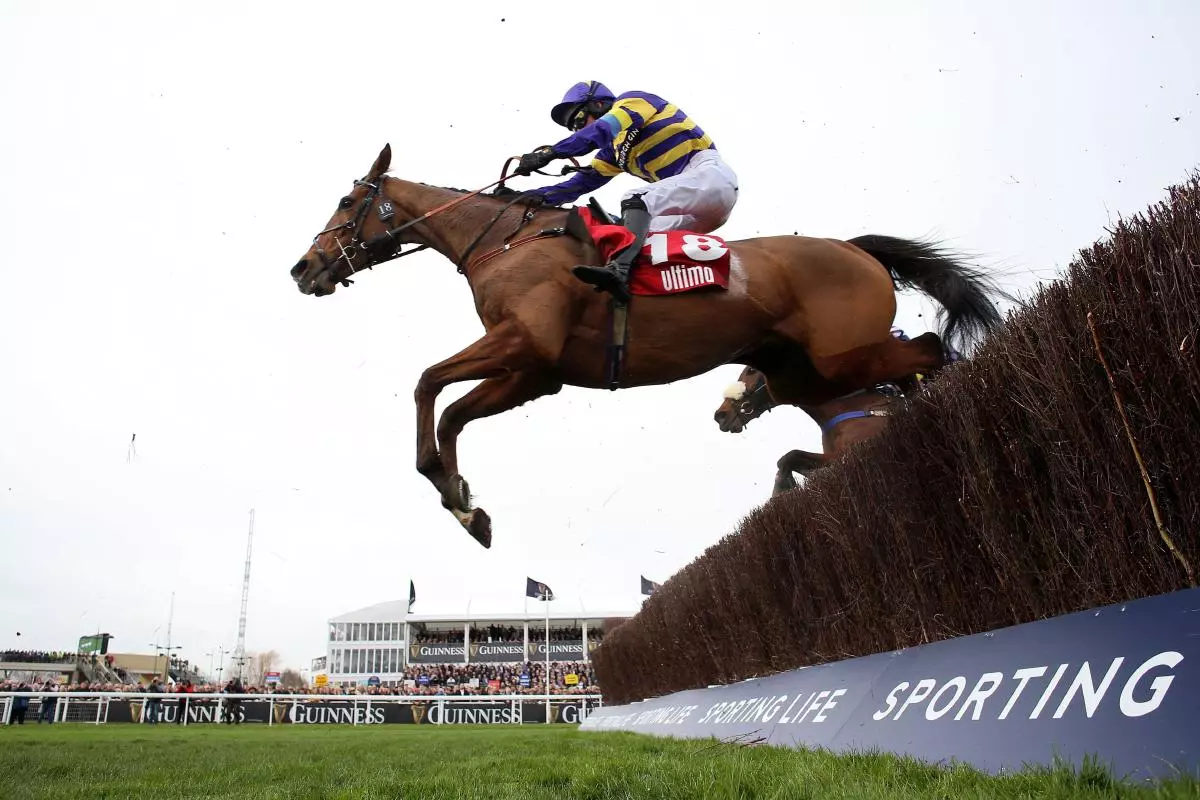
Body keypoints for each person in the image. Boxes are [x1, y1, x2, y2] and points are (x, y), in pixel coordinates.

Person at [515, 81, 738, 303]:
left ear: (599, 104)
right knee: (624, 232)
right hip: (689, 209)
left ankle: (619, 271)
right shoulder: (613, 152)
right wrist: (530, 197)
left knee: (634, 198)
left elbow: (599, 131)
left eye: (580, 120)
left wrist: (550, 153)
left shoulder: (634, 101)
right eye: (574, 128)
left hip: (708, 175)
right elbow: (580, 184)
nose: (580, 130)